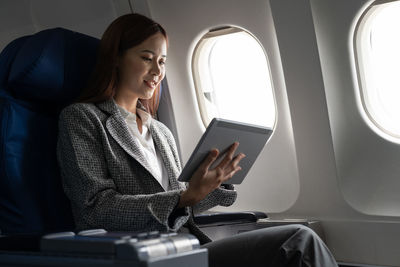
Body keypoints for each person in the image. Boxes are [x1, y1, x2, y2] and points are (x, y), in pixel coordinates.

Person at [57, 13, 339, 267]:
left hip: (184, 246)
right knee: (297, 241)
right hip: (139, 255)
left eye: (162, 61)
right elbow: (96, 209)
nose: (157, 71)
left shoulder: (160, 131)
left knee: (301, 241)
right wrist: (185, 196)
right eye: (146, 58)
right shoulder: (83, 118)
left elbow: (182, 205)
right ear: (116, 57)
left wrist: (213, 182)